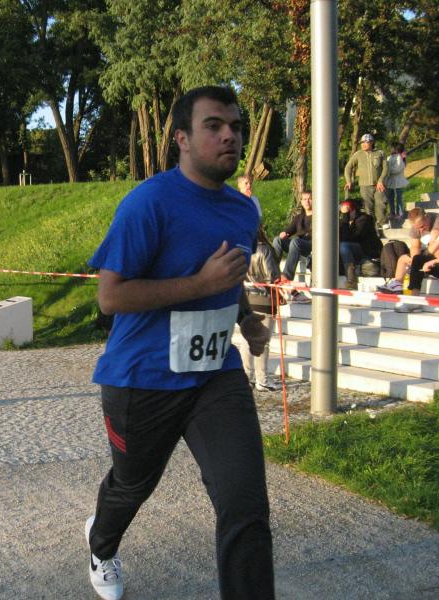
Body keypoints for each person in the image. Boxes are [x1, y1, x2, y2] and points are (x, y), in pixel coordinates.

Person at [85, 86, 274, 600]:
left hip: (215, 375)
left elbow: (228, 277)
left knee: (245, 505)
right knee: (132, 485)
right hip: (142, 378)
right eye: (214, 126)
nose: (230, 135)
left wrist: (246, 321)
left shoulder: (243, 211)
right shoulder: (149, 203)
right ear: (182, 139)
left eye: (236, 126)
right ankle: (101, 544)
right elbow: (110, 297)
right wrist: (199, 284)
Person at [238, 175, 278, 392]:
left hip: (247, 297)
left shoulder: (242, 250)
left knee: (247, 340)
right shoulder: (265, 250)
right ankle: (263, 379)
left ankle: (248, 376)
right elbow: (273, 277)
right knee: (263, 341)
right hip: (264, 299)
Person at [377, 207, 439, 293]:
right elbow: (415, 246)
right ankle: (397, 284)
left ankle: (433, 272)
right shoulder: (416, 226)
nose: (421, 230)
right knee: (403, 259)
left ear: (426, 217)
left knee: (436, 237)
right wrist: (414, 260)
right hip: (427, 253)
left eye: (422, 226)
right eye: (418, 228)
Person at [271, 191, 312, 303]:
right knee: (277, 240)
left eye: (309, 199)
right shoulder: (299, 217)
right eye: (304, 199)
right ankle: (273, 272)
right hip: (298, 245)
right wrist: (285, 233)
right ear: (301, 201)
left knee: (295, 242)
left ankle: (286, 277)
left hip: (311, 245)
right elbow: (289, 229)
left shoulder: (318, 216)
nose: (307, 201)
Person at [344, 133, 389, 231]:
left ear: (372, 142)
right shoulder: (358, 154)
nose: (363, 144)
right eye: (362, 142)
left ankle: (383, 222)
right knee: (368, 206)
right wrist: (349, 181)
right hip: (364, 185)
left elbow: (386, 168)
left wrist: (381, 180)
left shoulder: (380, 153)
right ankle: (371, 225)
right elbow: (348, 168)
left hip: (379, 184)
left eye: (366, 142)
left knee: (381, 203)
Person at [339, 199, 382, 289]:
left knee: (344, 246)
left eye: (348, 211)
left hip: (366, 250)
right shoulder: (344, 221)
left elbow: (352, 237)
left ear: (354, 210)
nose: (344, 213)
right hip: (353, 251)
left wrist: (345, 217)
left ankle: (351, 279)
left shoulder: (364, 219)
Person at [385, 142, 408, 218]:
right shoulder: (389, 157)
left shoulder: (399, 157)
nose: (390, 149)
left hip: (398, 181)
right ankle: (392, 213)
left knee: (399, 198)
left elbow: (397, 169)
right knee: (390, 198)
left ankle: (399, 213)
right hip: (390, 181)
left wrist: (388, 171)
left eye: (392, 148)